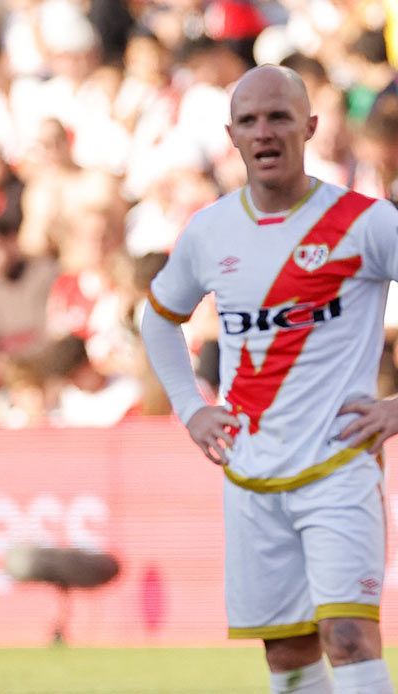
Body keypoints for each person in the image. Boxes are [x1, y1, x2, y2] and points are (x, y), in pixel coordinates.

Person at [142, 64, 397, 694]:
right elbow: (158, 320)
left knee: (348, 635)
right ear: (231, 135)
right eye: (249, 121)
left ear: (309, 127)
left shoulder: (366, 223)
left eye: (279, 117)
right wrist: (190, 408)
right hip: (251, 472)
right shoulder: (210, 231)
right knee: (286, 653)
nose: (264, 132)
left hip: (339, 468)